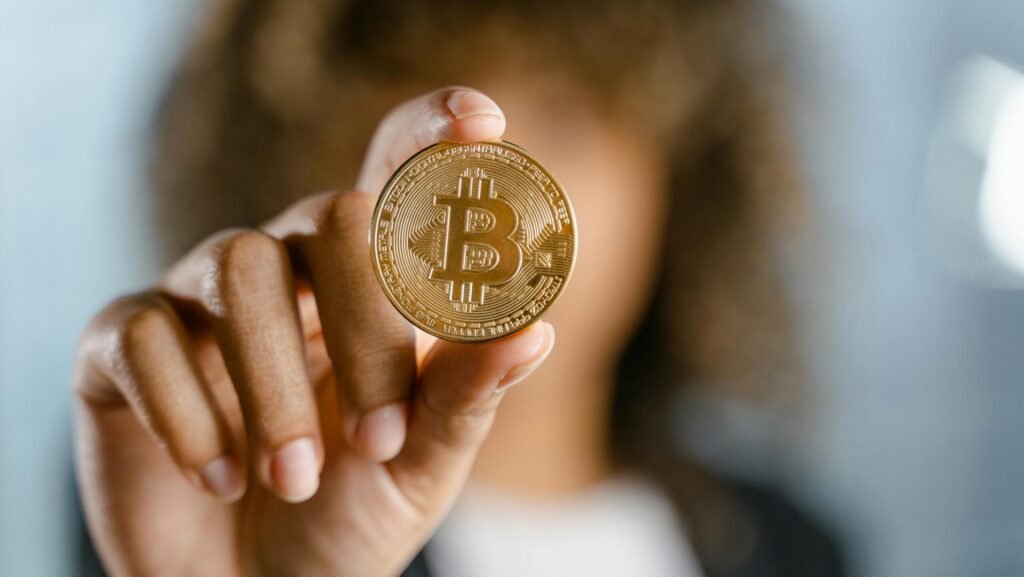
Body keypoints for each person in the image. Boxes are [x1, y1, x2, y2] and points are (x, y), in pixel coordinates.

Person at [74, 1, 845, 576]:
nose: (496, 205)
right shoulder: (202, 497)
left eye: (566, 115)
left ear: (679, 167)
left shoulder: (795, 547)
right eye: (424, 136)